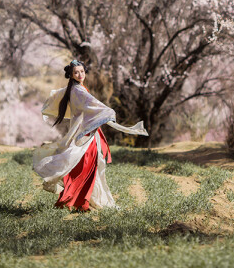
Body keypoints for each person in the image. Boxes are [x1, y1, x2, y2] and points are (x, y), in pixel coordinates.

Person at [33, 59, 148, 211]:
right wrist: (108, 111)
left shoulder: (74, 89)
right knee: (88, 166)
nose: (80, 74)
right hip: (85, 134)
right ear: (71, 75)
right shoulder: (78, 90)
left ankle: (81, 201)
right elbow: (93, 103)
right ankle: (80, 202)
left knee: (86, 166)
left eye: (82, 71)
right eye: (76, 72)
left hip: (85, 133)